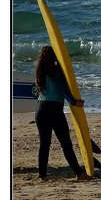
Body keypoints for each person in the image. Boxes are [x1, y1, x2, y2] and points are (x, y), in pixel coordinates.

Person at [33, 46, 91, 180]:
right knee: (66, 144)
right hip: (54, 110)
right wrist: (74, 101)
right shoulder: (56, 71)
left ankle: (42, 175)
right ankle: (79, 173)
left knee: (44, 144)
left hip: (40, 110)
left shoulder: (39, 73)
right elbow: (62, 89)